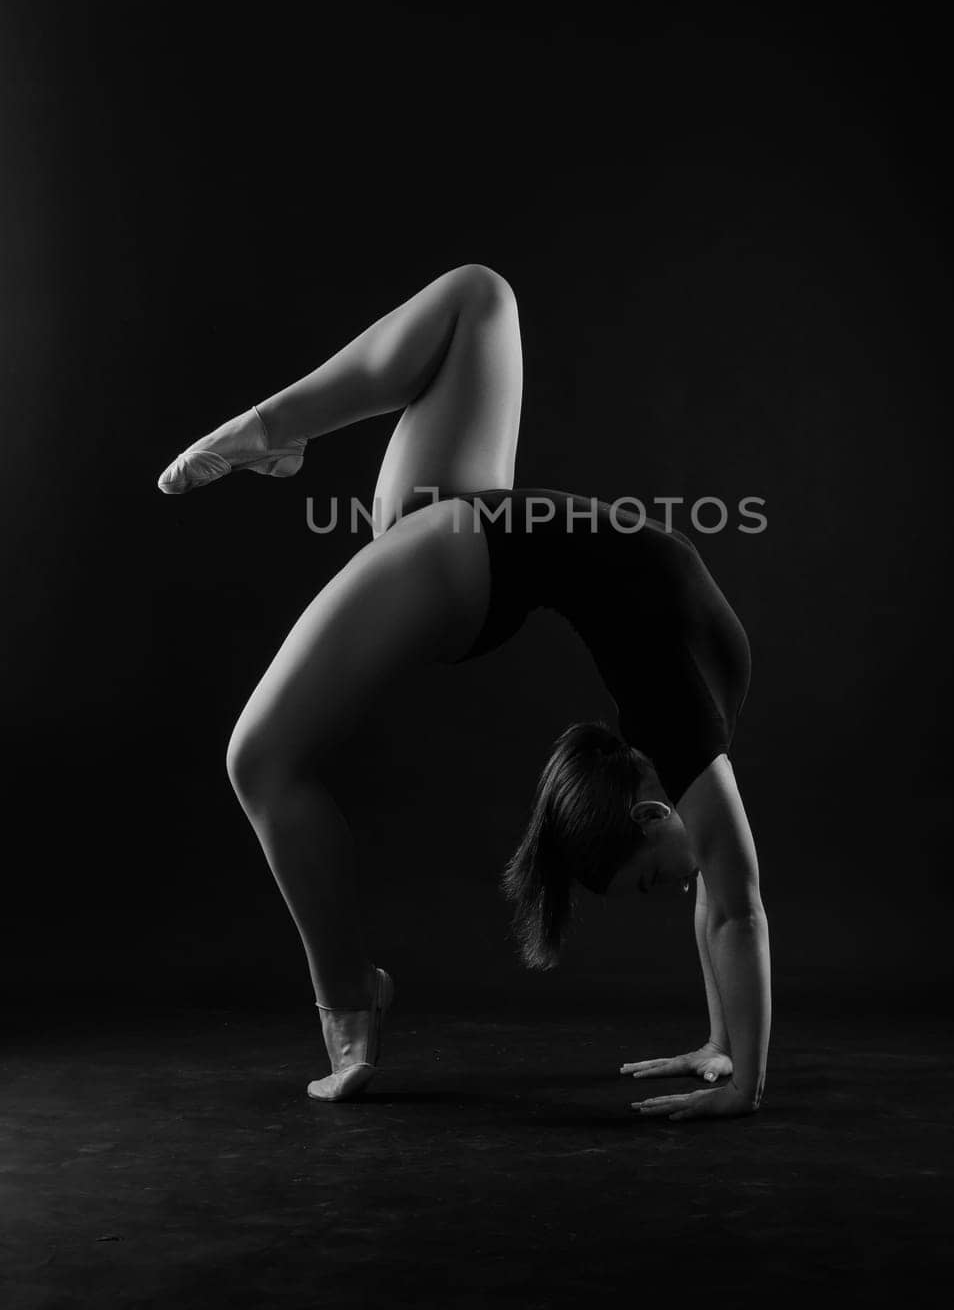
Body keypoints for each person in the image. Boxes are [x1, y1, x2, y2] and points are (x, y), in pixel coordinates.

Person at [157, 264, 770, 1119]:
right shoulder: (676, 718)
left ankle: (340, 1004)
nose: (672, 891)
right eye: (645, 883)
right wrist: (742, 1082)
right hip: (465, 541)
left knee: (265, 762)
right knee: (480, 297)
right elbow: (736, 909)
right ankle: (356, 994)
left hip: (472, 549)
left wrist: (721, 1040)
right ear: (648, 814)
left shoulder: (682, 733)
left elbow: (715, 893)